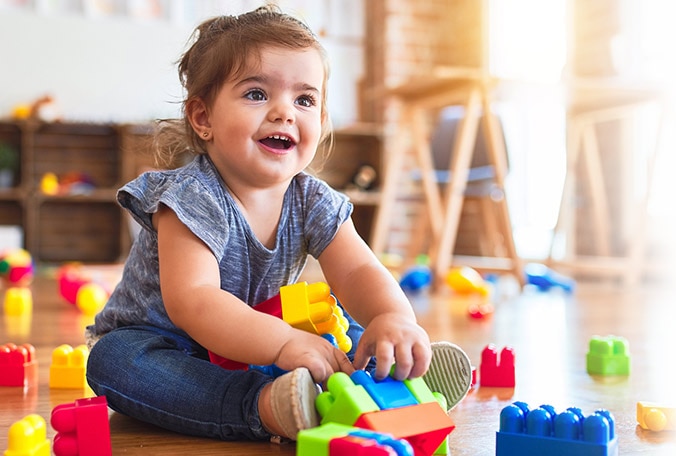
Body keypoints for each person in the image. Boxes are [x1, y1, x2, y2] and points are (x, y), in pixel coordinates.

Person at [85, 4, 471, 443]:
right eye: (256, 94)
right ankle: (268, 406)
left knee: (345, 318)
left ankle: (395, 376)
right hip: (172, 345)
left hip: (260, 338)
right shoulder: (191, 196)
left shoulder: (312, 199)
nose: (285, 112)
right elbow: (194, 301)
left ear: (321, 121)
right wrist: (283, 344)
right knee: (113, 361)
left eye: (304, 99)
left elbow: (359, 270)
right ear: (203, 117)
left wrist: (392, 317)